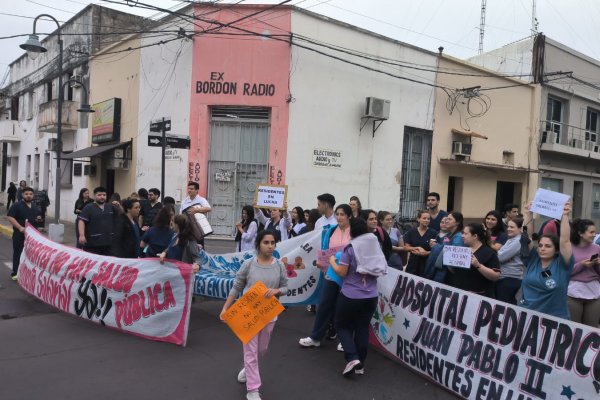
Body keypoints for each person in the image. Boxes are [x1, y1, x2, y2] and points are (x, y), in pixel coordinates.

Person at [220, 230, 288, 400]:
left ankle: (247, 369)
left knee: (261, 350)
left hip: (269, 315)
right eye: (266, 242)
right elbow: (236, 286)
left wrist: (277, 291)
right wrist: (225, 308)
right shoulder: (249, 264)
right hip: (248, 315)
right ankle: (253, 389)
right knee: (250, 351)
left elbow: (286, 287)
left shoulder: (279, 265)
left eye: (273, 243)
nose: (270, 246)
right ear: (258, 244)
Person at [329, 217, 384, 376]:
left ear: (352, 231)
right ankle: (361, 364)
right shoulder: (375, 248)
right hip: (371, 296)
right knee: (362, 327)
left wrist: (332, 261)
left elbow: (341, 272)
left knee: (342, 325)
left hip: (351, 296)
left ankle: (352, 358)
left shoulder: (350, 248)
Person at [299, 204, 352, 348]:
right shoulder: (331, 230)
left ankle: (344, 340)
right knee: (324, 304)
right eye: (338, 214)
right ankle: (315, 337)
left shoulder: (354, 232)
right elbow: (324, 249)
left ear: (349, 216)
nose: (339, 217)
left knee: (344, 307)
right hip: (331, 273)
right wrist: (321, 262)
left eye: (342, 214)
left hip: (348, 274)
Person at [520, 201, 573, 319]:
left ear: (557, 250)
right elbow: (527, 236)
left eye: (548, 246)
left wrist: (565, 216)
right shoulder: (532, 259)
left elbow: (565, 241)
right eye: (540, 245)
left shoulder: (563, 264)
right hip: (527, 317)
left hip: (554, 321)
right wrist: (528, 214)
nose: (542, 249)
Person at [445, 223, 500, 297]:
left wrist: (478, 266)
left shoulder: (489, 253)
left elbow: (495, 276)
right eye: (462, 233)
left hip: (479, 296)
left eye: (465, 234)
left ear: (475, 236)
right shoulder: (462, 250)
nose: (462, 236)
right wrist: (449, 260)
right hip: (460, 294)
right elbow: (454, 271)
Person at [568, 218, 600, 327]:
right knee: (573, 327)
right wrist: (581, 265)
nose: (594, 235)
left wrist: (598, 264)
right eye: (591, 232)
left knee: (591, 327)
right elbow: (565, 271)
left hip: (593, 291)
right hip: (573, 292)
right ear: (580, 233)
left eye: (594, 232)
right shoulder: (569, 247)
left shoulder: (597, 248)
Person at [7, 186, 42, 280]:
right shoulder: (17, 205)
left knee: (30, 253)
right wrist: (19, 227)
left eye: (30, 194)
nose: (28, 196)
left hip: (32, 235)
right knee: (18, 252)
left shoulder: (35, 206)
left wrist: (38, 219)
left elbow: (37, 217)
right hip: (20, 234)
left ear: (33, 195)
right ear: (22, 195)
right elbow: (10, 217)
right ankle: (15, 272)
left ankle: (28, 272)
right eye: (26, 194)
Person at [78, 187, 117, 256]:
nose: (102, 197)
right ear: (94, 196)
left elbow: (122, 215)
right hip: (93, 243)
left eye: (104, 195)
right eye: (99, 195)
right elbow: (81, 221)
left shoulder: (110, 207)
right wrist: (82, 235)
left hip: (108, 242)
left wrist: (119, 206)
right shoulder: (89, 207)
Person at [495, 218, 526, 304]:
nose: (508, 229)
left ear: (520, 228)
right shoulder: (511, 239)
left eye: (512, 227)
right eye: (508, 226)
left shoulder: (518, 241)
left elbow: (500, 257)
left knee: (504, 305)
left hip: (509, 278)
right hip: (506, 277)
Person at [404, 210, 437, 276]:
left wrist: (425, 253)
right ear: (418, 219)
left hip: (426, 264)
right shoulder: (411, 231)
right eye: (424, 218)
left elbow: (435, 250)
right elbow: (406, 248)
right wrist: (417, 248)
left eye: (428, 219)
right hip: (412, 265)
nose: (426, 220)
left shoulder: (433, 233)